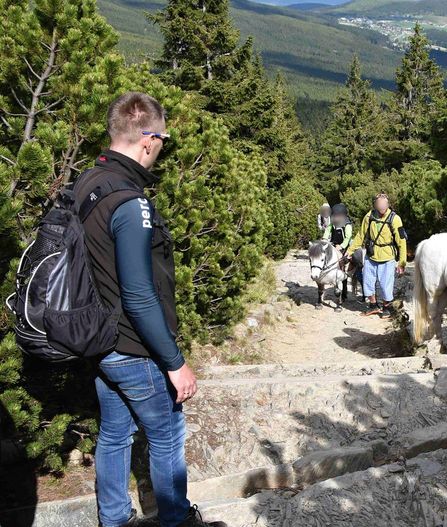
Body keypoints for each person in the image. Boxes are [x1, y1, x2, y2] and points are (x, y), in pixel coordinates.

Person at [73, 92, 225, 527]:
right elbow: (139, 294)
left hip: (98, 339)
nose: (161, 148)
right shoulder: (130, 202)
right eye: (163, 139)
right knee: (167, 434)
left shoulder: (87, 183)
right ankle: (176, 518)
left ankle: (115, 520)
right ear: (148, 139)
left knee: (115, 434)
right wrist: (175, 364)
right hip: (134, 347)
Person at [347, 193, 407, 316]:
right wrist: (350, 250)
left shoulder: (395, 219)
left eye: (384, 204)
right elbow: (360, 235)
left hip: (388, 256)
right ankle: (373, 305)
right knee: (367, 282)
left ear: (388, 204)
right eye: (379, 204)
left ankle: (386, 307)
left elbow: (402, 241)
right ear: (375, 204)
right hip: (371, 255)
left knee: (386, 285)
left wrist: (402, 262)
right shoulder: (369, 216)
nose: (382, 206)